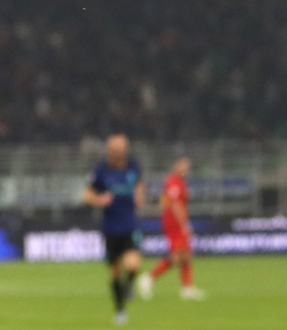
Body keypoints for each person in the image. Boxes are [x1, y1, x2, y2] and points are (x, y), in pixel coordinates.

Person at [83, 133, 146, 325]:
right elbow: (87, 195)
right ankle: (120, 311)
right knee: (115, 272)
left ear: (125, 150)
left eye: (119, 149)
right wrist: (99, 200)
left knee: (134, 264)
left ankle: (129, 286)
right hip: (110, 227)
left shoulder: (134, 166)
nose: (116, 153)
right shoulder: (101, 170)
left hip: (130, 224)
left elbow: (140, 183)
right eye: (113, 150)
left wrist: (139, 194)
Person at [138, 157, 206, 300]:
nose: (186, 170)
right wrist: (184, 224)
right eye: (183, 166)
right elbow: (175, 205)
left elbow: (165, 202)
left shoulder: (179, 182)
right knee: (176, 256)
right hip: (174, 224)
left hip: (175, 223)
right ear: (176, 166)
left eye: (187, 167)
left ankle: (187, 288)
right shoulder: (173, 182)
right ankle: (149, 278)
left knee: (186, 254)